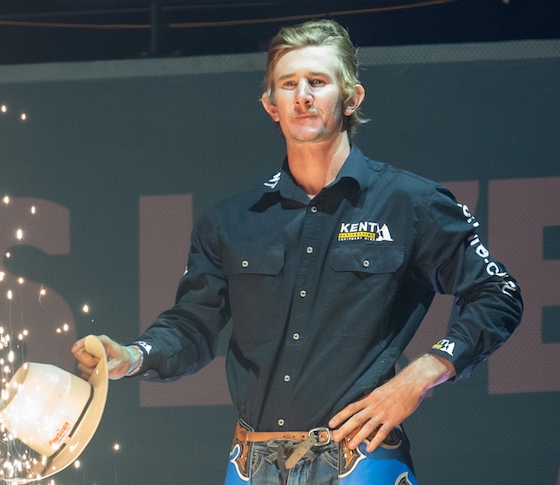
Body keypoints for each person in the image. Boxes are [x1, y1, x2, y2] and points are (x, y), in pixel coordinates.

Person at [71, 18, 522, 484]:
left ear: (351, 98)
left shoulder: (412, 203)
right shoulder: (231, 221)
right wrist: (132, 355)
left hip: (361, 461)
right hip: (252, 466)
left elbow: (498, 294)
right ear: (271, 105)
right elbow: (193, 326)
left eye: (318, 82)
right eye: (289, 84)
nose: (302, 95)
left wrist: (426, 371)